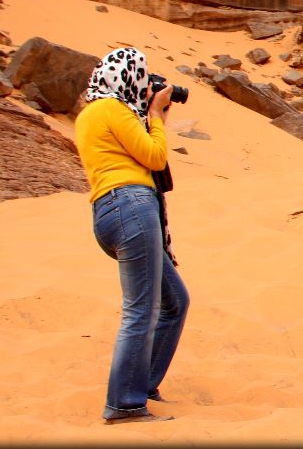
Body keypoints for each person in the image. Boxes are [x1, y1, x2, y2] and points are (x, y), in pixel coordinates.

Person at [75, 46, 190, 425]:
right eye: (140, 77)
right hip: (131, 207)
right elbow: (155, 157)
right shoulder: (110, 109)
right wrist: (155, 113)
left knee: (174, 301)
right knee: (141, 310)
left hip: (114, 211)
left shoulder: (92, 113)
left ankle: (142, 386)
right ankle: (124, 403)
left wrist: (149, 113)